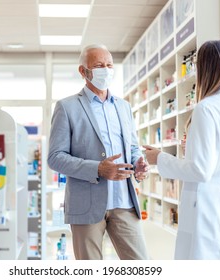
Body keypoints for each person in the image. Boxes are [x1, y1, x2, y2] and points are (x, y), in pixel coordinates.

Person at [143, 39, 220, 260]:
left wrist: (159, 158)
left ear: (206, 68)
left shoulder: (206, 108)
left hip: (208, 209)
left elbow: (201, 170)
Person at [48, 44, 149, 260]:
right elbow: (55, 157)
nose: (106, 70)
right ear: (83, 71)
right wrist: (98, 169)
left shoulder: (123, 107)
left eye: (109, 65)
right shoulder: (67, 107)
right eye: (99, 65)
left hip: (124, 202)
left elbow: (132, 146)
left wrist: (138, 163)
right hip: (86, 205)